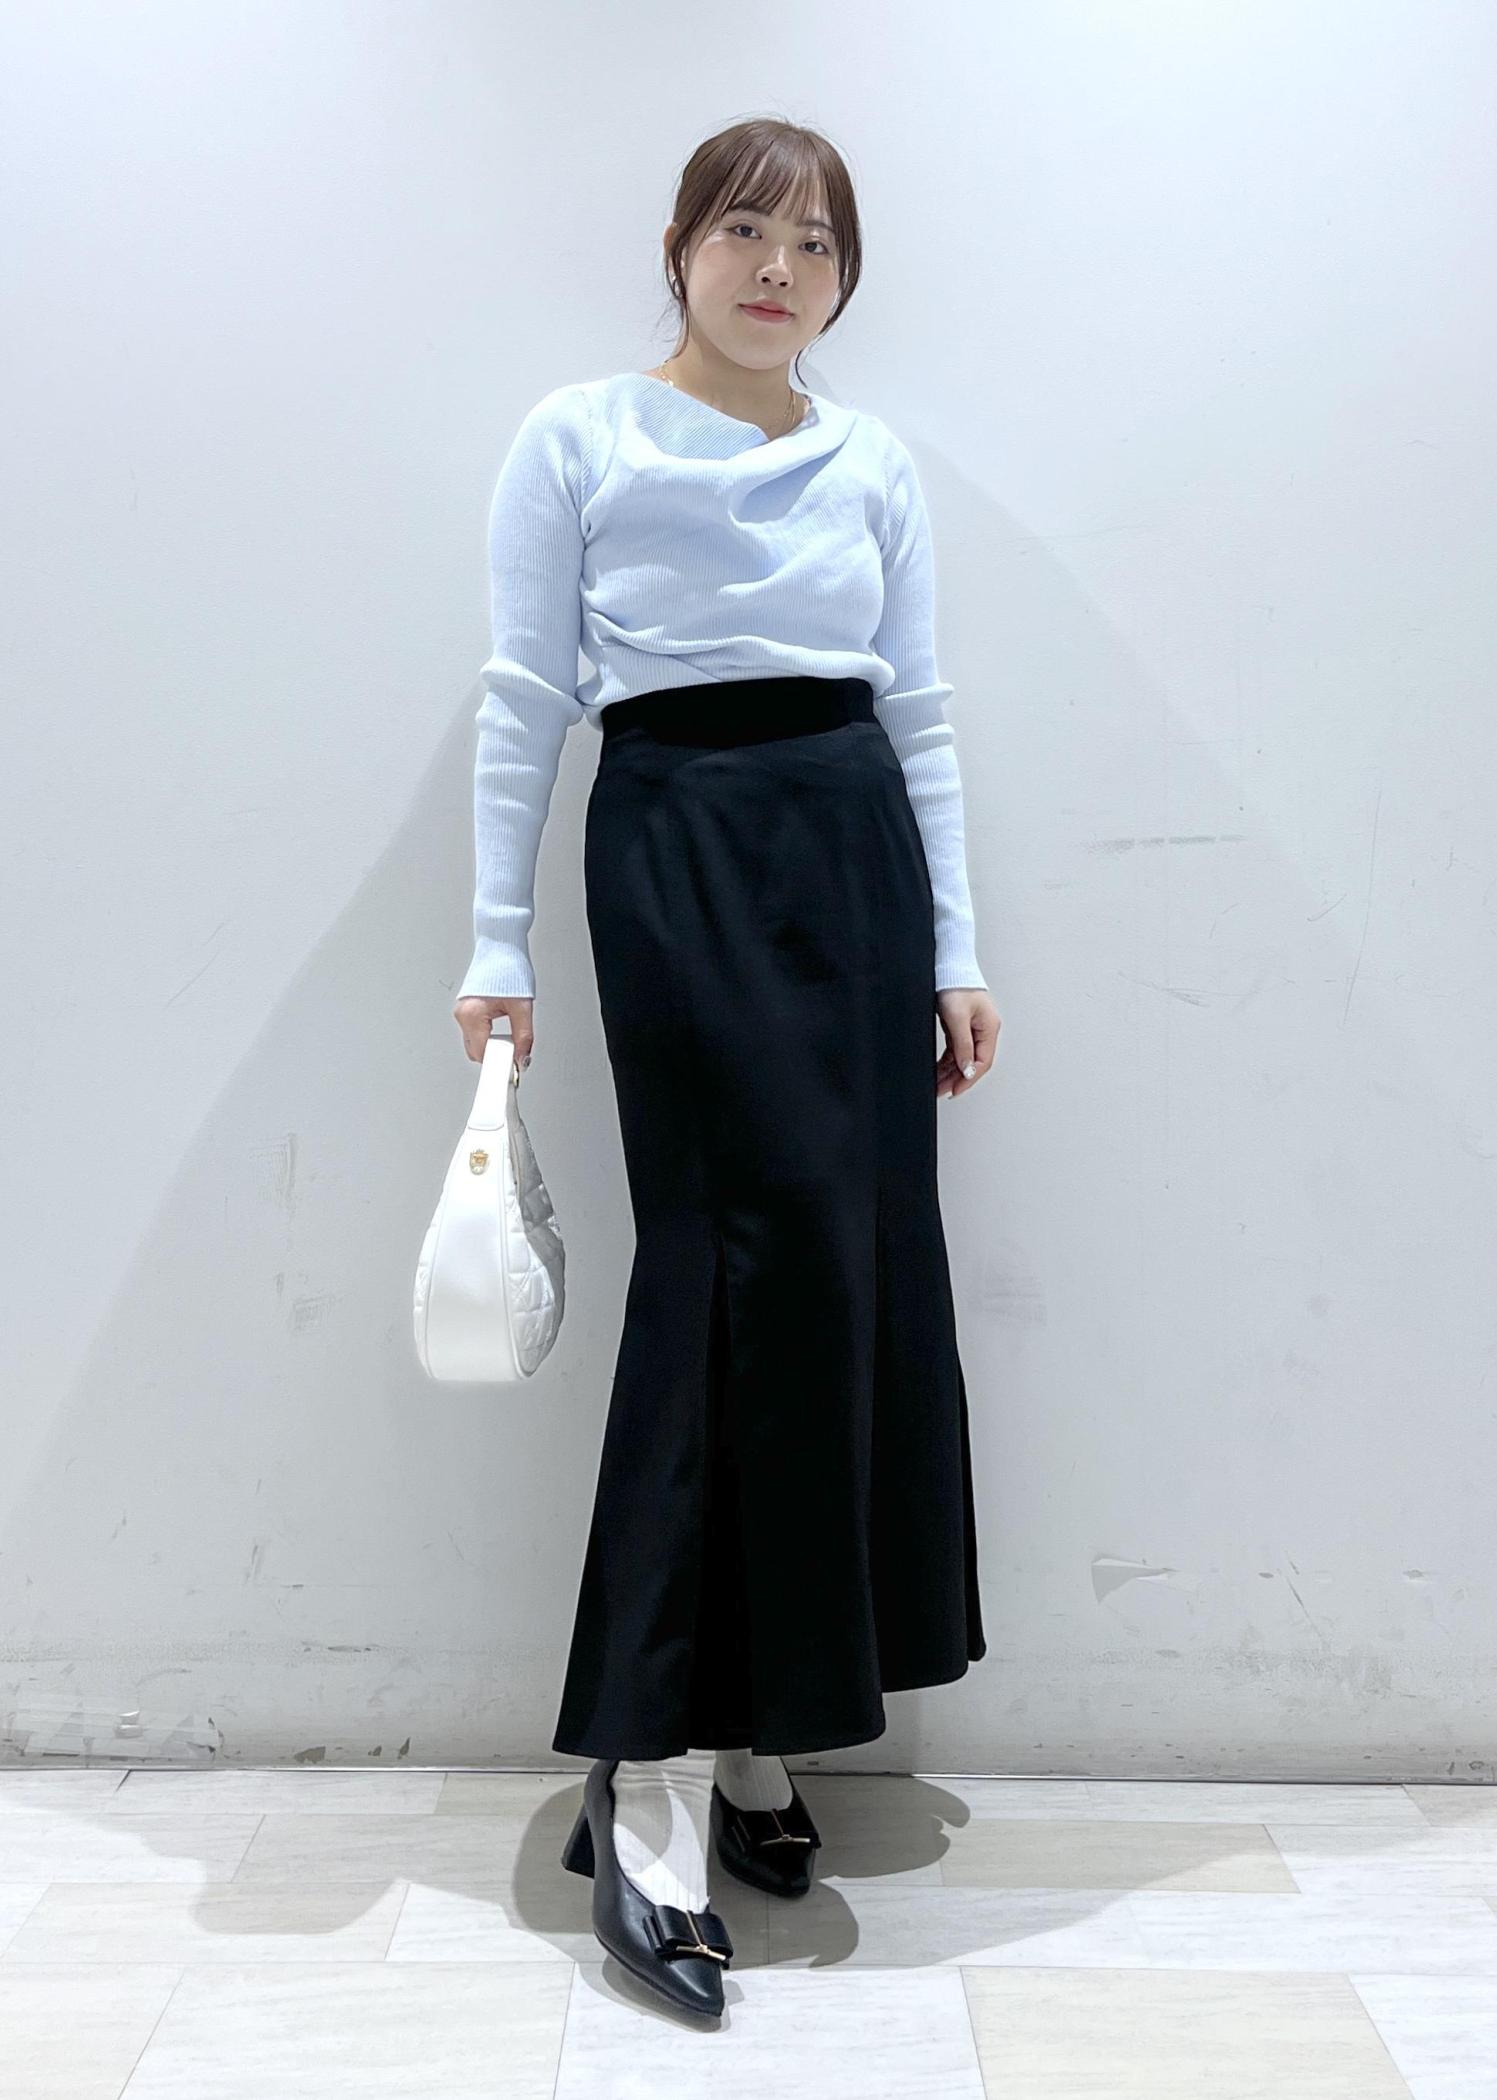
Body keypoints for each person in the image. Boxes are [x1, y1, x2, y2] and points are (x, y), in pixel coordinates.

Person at [452, 115, 1000, 2020]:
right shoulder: (582, 437)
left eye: (819, 243)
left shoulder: (873, 460)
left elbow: (919, 708)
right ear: (681, 245)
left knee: (843, 1279)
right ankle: (658, 1772)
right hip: (678, 842)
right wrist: (496, 943)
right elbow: (527, 698)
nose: (781, 268)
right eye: (749, 229)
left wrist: (956, 947)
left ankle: (768, 1724)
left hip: (853, 855)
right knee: (715, 1276)